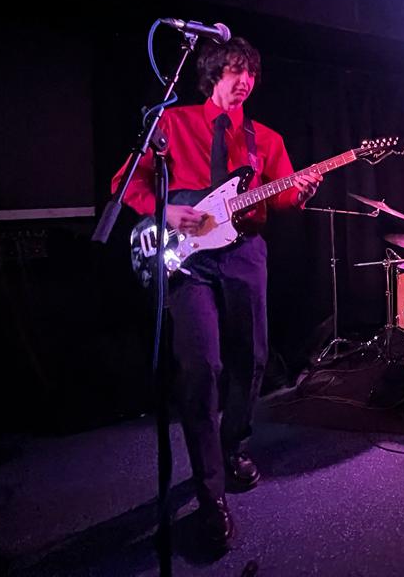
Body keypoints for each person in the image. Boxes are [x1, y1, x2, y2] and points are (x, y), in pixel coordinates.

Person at [111, 36, 322, 550]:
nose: (244, 80)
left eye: (250, 73)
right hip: (189, 262)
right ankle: (211, 494)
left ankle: (233, 447)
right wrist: (164, 211)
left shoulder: (265, 138)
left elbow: (282, 195)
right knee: (202, 368)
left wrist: (300, 190)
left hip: (245, 253)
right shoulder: (172, 123)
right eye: (233, 70)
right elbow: (125, 183)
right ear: (212, 75)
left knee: (252, 358)